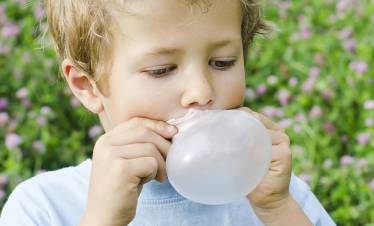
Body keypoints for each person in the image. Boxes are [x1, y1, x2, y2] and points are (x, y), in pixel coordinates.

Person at [0, 0, 336, 225]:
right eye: (161, 70)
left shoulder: (277, 196)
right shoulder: (44, 207)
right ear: (88, 86)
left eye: (223, 62)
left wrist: (277, 210)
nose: (201, 92)